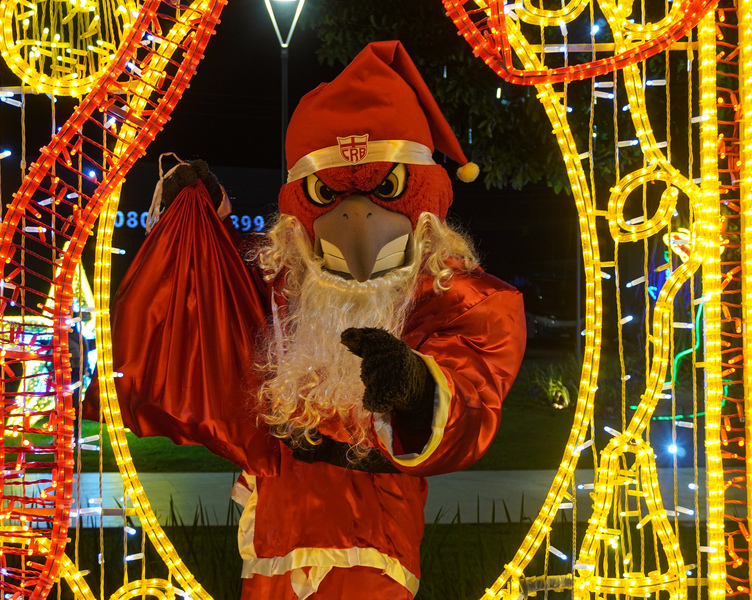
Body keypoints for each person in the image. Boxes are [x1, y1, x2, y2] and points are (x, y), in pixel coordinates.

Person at [102, 40, 526, 599]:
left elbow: (472, 393)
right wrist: (195, 218)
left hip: (371, 540)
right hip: (272, 531)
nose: (355, 220)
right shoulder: (285, 285)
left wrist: (418, 386)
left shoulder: (456, 299)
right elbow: (208, 301)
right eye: (327, 193)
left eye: (385, 189)